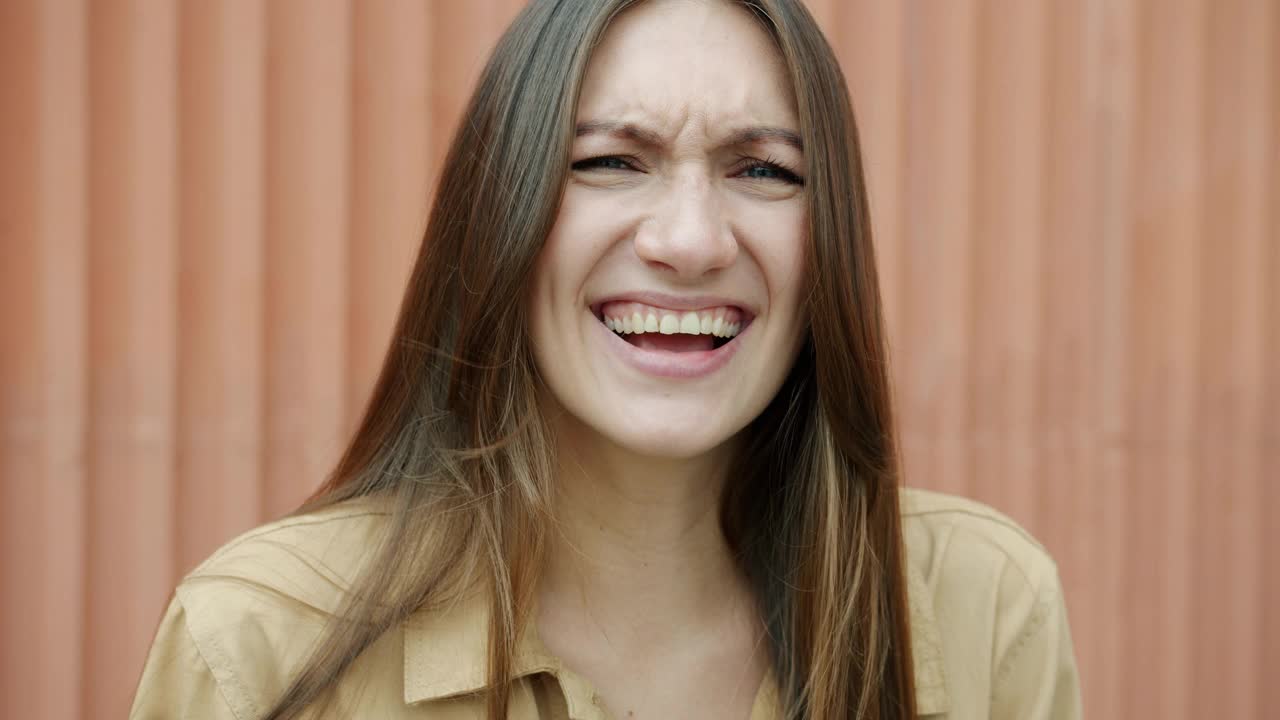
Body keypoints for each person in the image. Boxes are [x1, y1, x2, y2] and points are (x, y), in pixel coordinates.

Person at [130, 0, 1082, 718]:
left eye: (764, 171)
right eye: (609, 162)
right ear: (498, 214)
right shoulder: (258, 647)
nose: (692, 240)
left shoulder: (983, 606)